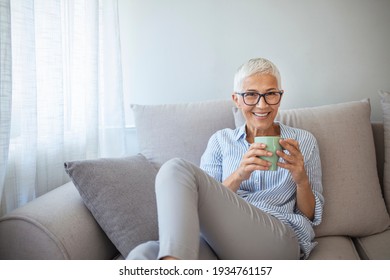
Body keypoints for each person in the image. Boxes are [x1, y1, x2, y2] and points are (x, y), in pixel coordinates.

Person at [127, 57, 324, 260]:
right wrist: (239, 174)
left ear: (280, 97)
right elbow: (203, 204)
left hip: (278, 240)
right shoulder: (220, 141)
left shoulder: (302, 141)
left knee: (176, 167)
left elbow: (309, 215)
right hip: (222, 244)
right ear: (236, 99)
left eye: (270, 94)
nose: (262, 104)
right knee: (141, 255)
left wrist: (301, 179)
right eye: (250, 95)